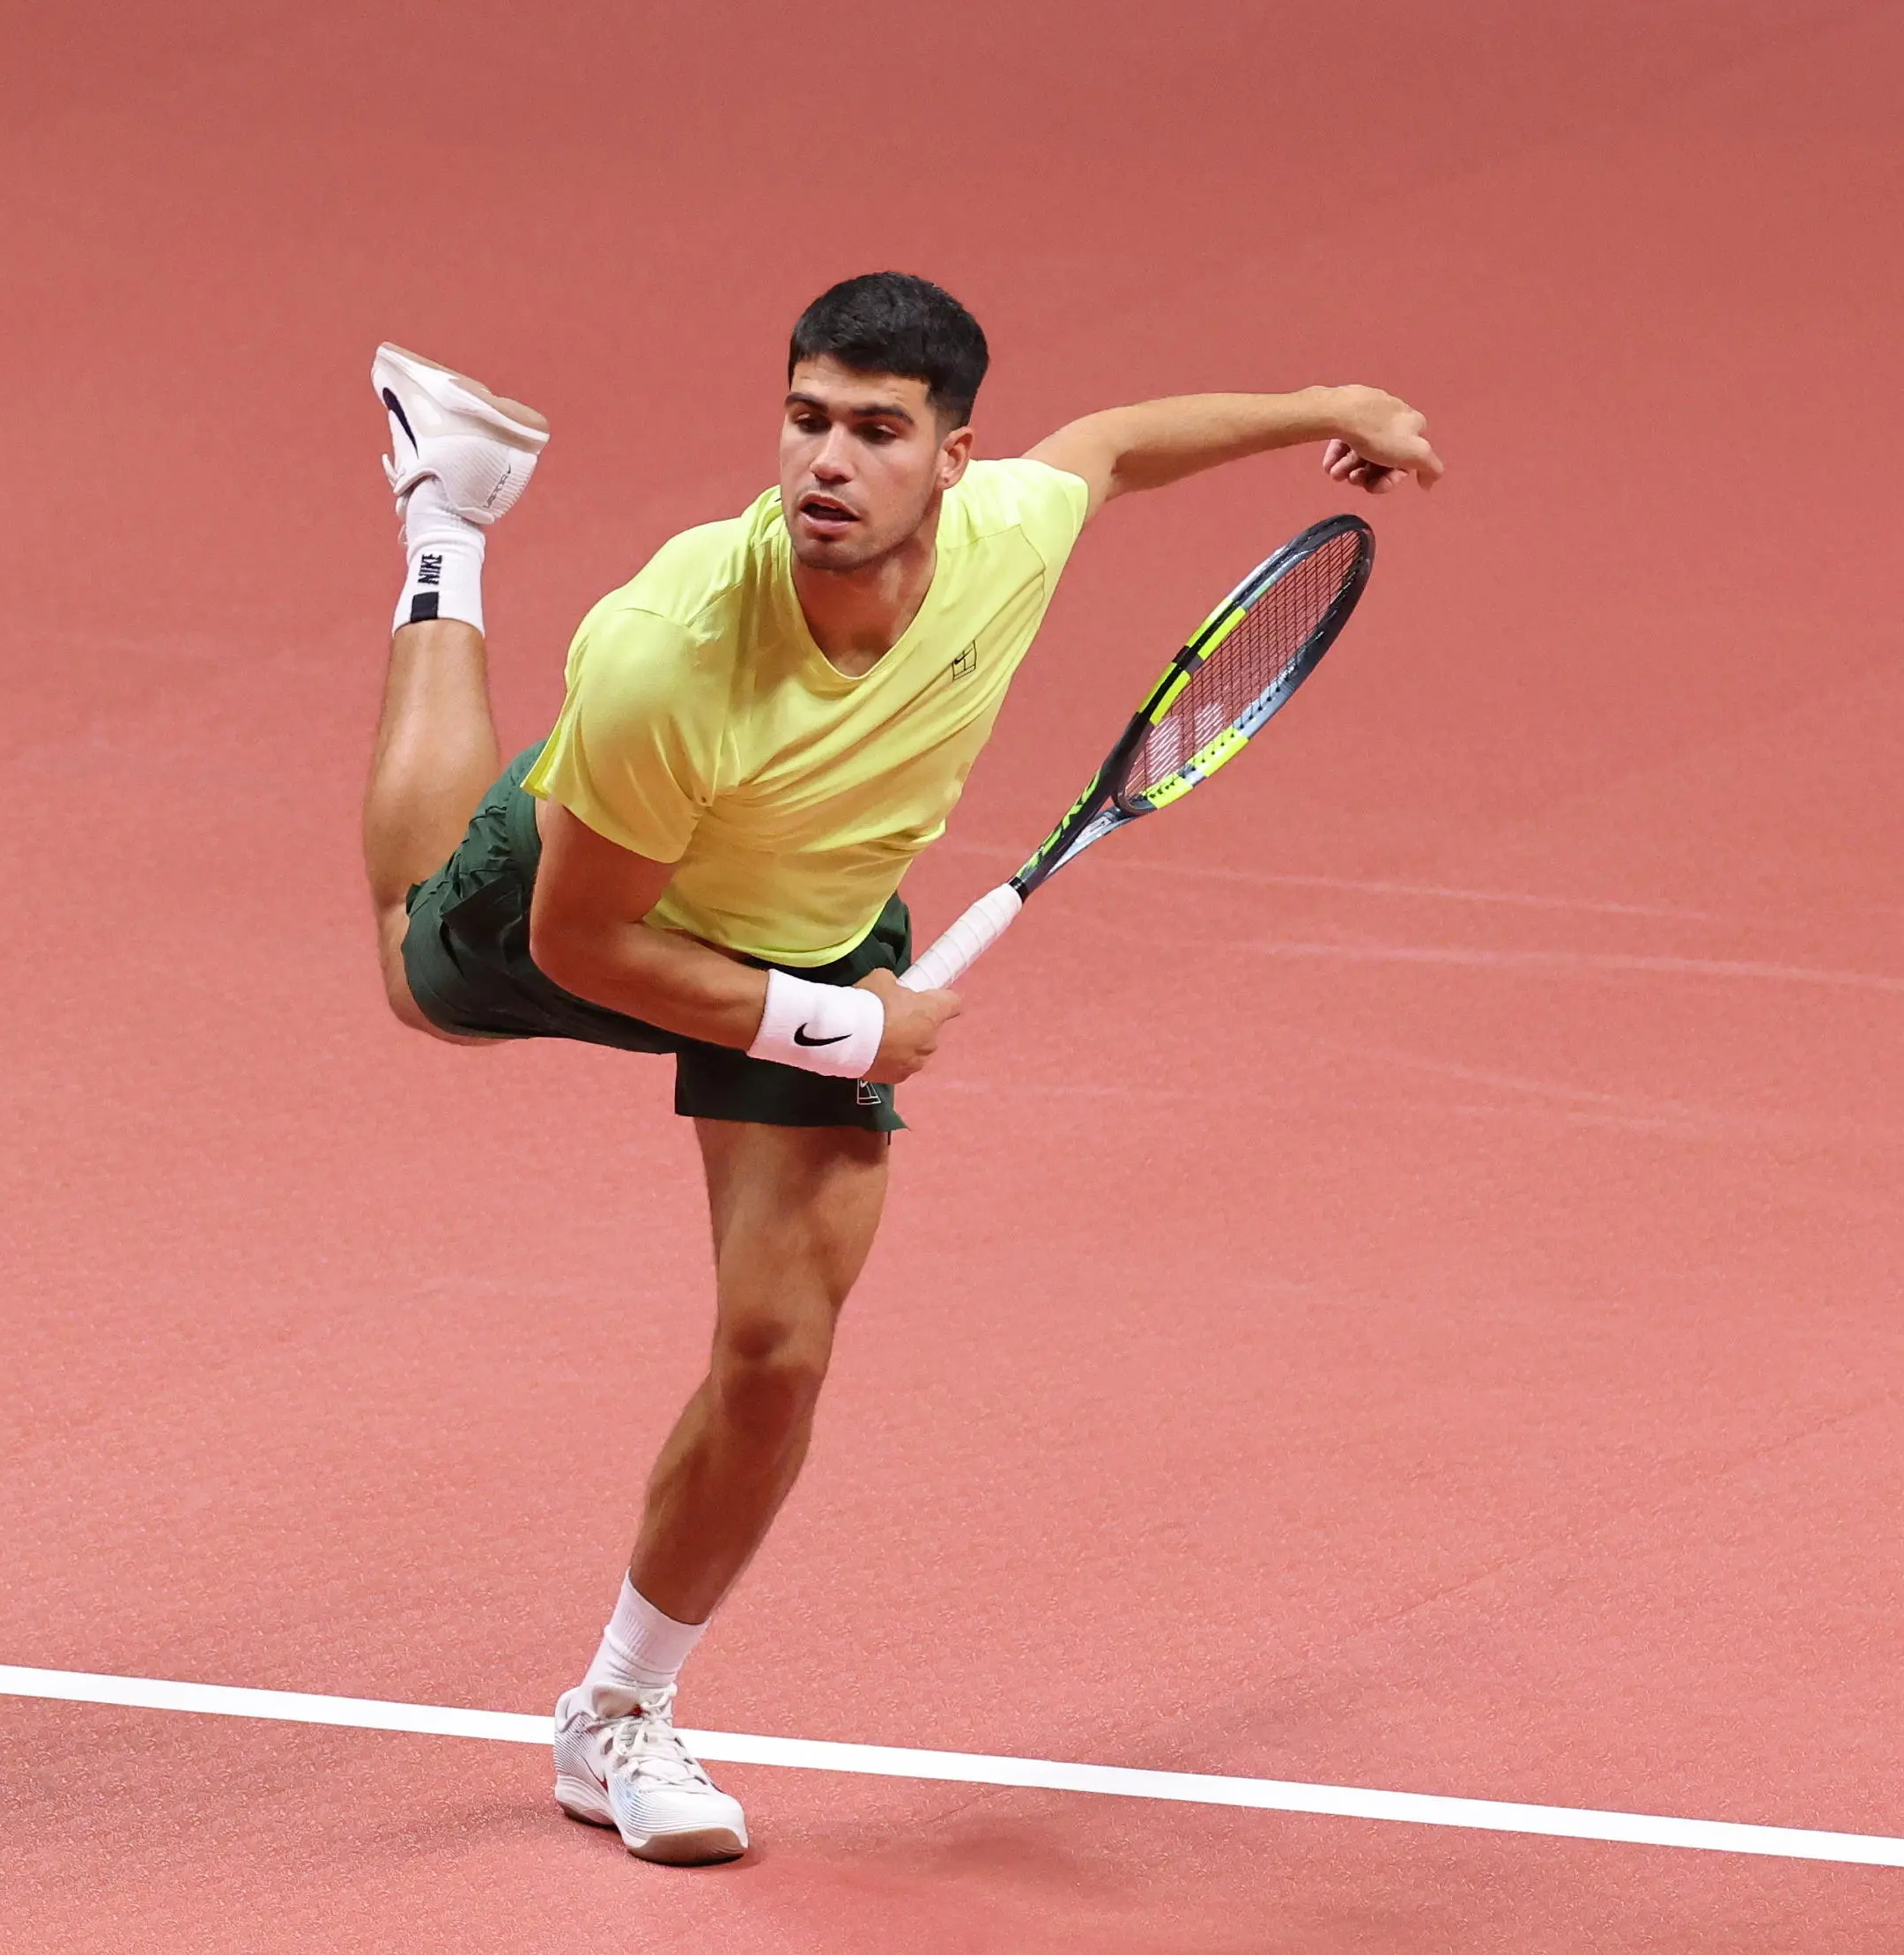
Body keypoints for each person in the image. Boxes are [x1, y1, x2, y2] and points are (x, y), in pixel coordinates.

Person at [359, 272, 1441, 1864]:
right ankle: (446, 525)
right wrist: (842, 1026)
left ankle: (616, 1717)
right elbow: (587, 948)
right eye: (807, 420)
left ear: (950, 458)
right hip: (619, 887)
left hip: (811, 931)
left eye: (876, 430)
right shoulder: (670, 649)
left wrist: (1325, 403)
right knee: (411, 969)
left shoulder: (1006, 534)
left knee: (778, 1354)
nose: (828, 463)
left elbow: (1120, 444)